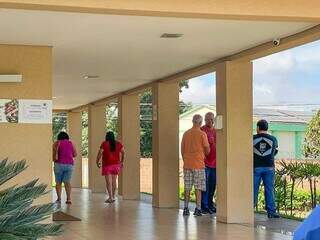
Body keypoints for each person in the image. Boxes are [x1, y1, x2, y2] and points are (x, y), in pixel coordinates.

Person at [181, 114, 210, 216]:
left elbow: (182, 149)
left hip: (187, 164)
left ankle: (185, 208)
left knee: (187, 187)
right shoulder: (202, 134)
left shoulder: (186, 134)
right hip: (198, 164)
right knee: (198, 187)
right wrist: (204, 154)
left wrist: (185, 159)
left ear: (193, 122)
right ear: (201, 123)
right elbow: (207, 149)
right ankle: (198, 208)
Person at [253, 119, 280, 218]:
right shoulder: (273, 139)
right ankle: (271, 212)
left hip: (256, 167)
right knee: (269, 189)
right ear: (267, 128)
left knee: (253, 189)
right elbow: (275, 151)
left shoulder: (252, 138)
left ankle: (249, 209)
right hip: (269, 167)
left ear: (258, 128)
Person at [96, 131, 125, 203]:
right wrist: (122, 161)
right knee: (114, 181)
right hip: (116, 165)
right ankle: (114, 196)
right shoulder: (118, 144)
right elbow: (123, 152)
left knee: (108, 182)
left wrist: (97, 161)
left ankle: (110, 197)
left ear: (107, 136)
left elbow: (100, 152)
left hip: (107, 165)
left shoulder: (104, 144)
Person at [52, 131, 77, 204]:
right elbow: (75, 154)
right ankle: (68, 199)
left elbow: (53, 155)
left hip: (58, 165)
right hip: (69, 165)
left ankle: (59, 199)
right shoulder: (70, 143)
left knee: (58, 183)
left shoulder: (56, 143)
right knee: (67, 182)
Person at [200, 112, 217, 214]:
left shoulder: (216, 131)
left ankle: (210, 204)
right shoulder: (202, 131)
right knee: (205, 186)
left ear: (213, 120)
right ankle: (204, 205)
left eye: (210, 119)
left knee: (212, 185)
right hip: (205, 163)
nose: (208, 121)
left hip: (215, 163)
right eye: (206, 119)